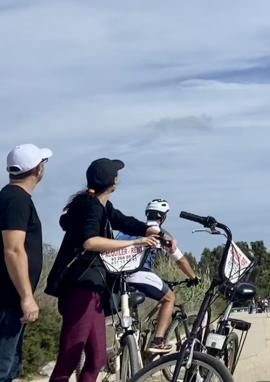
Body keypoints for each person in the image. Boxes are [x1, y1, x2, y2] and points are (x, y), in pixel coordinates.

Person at [45, 159, 158, 382]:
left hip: (94, 288)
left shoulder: (102, 205)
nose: (118, 178)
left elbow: (123, 221)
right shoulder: (91, 207)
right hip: (80, 287)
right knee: (69, 358)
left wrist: (152, 230)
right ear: (112, 182)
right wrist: (135, 242)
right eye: (116, 175)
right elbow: (91, 242)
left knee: (97, 358)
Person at [121, 200, 199, 353]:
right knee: (169, 298)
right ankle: (158, 341)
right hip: (138, 273)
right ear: (162, 217)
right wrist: (193, 277)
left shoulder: (130, 229)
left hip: (119, 276)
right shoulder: (159, 233)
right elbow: (180, 261)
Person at [1, 144, 51, 382]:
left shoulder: (13, 198)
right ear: (38, 170)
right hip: (7, 301)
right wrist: (26, 296)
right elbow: (13, 250)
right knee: (3, 369)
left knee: (10, 368)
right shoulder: (15, 200)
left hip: (11, 301)